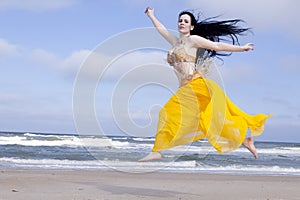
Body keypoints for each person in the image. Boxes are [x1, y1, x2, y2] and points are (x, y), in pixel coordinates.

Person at [139, 7, 271, 162]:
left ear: (192, 27)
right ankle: (244, 140)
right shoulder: (176, 42)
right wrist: (151, 16)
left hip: (196, 85)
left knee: (166, 113)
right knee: (206, 120)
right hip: (186, 88)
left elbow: (216, 46)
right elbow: (161, 29)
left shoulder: (193, 40)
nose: (182, 23)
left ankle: (157, 151)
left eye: (186, 21)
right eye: (180, 20)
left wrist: (241, 48)